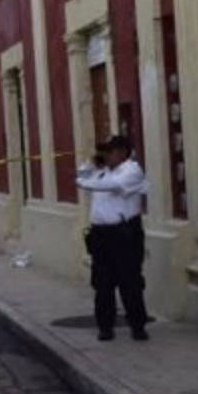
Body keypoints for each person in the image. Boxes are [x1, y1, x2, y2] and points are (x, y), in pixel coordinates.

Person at [77, 134, 149, 341]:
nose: (105, 154)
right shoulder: (102, 171)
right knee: (102, 283)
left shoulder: (132, 170)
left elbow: (111, 185)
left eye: (109, 151)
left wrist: (83, 181)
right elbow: (81, 174)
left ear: (122, 152)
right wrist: (91, 162)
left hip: (124, 234)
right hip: (100, 235)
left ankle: (137, 326)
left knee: (130, 281)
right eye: (103, 150)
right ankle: (105, 327)